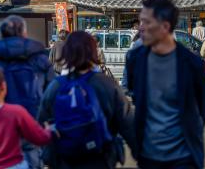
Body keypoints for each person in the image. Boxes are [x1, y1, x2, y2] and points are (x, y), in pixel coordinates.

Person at [125, 0, 205, 169]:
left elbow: (202, 109)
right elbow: (136, 99)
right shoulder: (135, 59)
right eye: (141, 22)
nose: (140, 28)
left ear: (165, 27)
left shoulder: (192, 65)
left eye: (147, 23)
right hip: (148, 156)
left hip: (184, 157)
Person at [38, 31, 135, 169]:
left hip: (64, 159)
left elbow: (41, 123)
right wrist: (142, 155)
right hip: (100, 157)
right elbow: (127, 123)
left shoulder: (56, 86)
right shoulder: (106, 84)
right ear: (93, 52)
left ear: (67, 53)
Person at [0, 15, 54, 169]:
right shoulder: (41, 60)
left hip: (0, 129)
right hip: (33, 125)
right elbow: (51, 96)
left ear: (1, 35)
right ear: (24, 33)